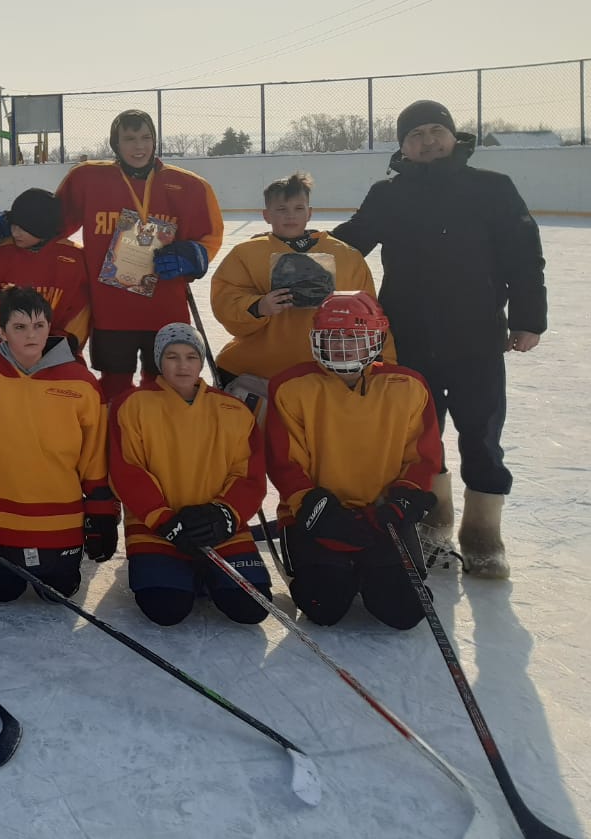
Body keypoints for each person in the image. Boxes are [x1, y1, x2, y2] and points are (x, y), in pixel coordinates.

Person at [333, 100, 547, 579]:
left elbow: (524, 257)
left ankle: (482, 536)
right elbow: (351, 242)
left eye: (436, 131)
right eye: (415, 135)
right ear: (403, 146)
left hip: (477, 339)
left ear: (454, 136)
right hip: (408, 337)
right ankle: (433, 519)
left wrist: (528, 318)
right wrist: (294, 246)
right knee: (418, 437)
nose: (428, 141)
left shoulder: (492, 189)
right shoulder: (388, 193)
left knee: (482, 435)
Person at [267, 292, 442, 629]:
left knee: (404, 611)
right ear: (317, 339)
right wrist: (317, 509)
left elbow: (422, 456)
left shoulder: (407, 385)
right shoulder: (291, 387)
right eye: (333, 337)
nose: (343, 347)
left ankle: (368, 569)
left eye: (355, 337)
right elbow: (286, 463)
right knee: (324, 606)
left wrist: (403, 501)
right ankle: (341, 569)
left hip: (382, 514)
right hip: (319, 515)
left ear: (375, 340)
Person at [0, 287, 116, 602]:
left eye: (38, 326)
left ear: (49, 327)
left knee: (59, 594)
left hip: (60, 523)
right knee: (2, 594)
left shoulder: (81, 384)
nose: (31, 335)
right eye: (19, 327)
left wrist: (101, 514)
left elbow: (95, 458)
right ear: (1, 331)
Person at [53, 109, 224, 401]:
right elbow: (52, 224)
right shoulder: (87, 179)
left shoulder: (189, 186)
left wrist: (195, 255)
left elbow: (209, 237)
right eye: (129, 139)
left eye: (146, 137)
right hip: (110, 312)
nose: (139, 146)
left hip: (166, 311)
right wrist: (11, 224)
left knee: (162, 389)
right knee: (114, 390)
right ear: (115, 144)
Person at [108, 324, 270, 626]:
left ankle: (204, 574)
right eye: (172, 356)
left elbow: (248, 474)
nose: (183, 365)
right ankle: (186, 575)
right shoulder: (133, 405)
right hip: (159, 528)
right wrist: (164, 520)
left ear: (201, 360)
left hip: (219, 528)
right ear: (159, 360)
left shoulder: (232, 409)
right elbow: (127, 471)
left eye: (191, 356)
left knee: (250, 609)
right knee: (167, 609)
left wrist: (224, 515)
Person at [210, 172, 389, 393]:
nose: (290, 216)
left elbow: (370, 315)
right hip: (260, 370)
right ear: (266, 215)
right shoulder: (246, 254)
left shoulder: (345, 255)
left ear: (310, 213)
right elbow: (225, 300)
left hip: (329, 370)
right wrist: (258, 307)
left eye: (298, 208)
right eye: (281, 209)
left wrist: (385, 363)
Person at [0, 187, 90, 353]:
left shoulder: (75, 260)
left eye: (24, 227)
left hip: (59, 356)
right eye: (13, 225)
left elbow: (82, 310)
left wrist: (69, 341)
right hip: (2, 353)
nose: (15, 232)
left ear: (43, 228)